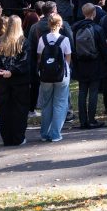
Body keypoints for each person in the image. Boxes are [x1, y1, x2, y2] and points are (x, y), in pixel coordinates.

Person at [0, 15, 31, 145]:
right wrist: (12, 71)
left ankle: (7, 138)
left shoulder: (0, 41)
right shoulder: (23, 42)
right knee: (19, 110)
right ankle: (18, 137)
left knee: (5, 110)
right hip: (18, 81)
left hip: (4, 81)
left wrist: (0, 70)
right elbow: (25, 61)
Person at [73, 4, 107, 129]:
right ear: (94, 13)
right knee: (93, 92)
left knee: (82, 92)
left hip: (81, 63)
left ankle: (83, 120)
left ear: (83, 13)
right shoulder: (97, 29)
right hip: (95, 63)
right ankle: (92, 119)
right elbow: (103, 49)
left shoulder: (76, 28)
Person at [37, 13, 71, 141]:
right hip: (61, 75)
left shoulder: (42, 39)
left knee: (46, 104)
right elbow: (68, 57)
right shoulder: (64, 39)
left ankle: (44, 133)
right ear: (60, 24)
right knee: (60, 103)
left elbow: (39, 58)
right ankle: (55, 134)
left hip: (45, 75)